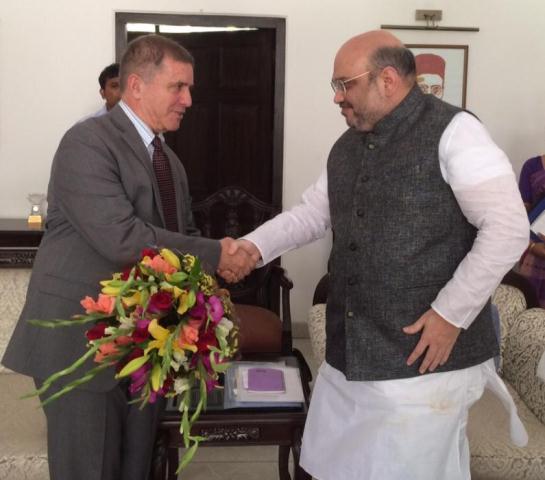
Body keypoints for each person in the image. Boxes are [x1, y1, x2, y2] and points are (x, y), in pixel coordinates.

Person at [227, 30, 530, 480]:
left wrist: (451, 315)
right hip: (351, 353)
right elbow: (312, 215)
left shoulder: (456, 131)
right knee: (326, 465)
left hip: (423, 361)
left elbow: (508, 230)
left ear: (387, 79)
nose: (337, 98)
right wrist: (253, 246)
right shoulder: (346, 147)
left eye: (344, 84)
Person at [1, 34, 254, 480]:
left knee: (136, 468)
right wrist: (218, 254)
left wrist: (218, 270)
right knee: (89, 470)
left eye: (189, 88)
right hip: (81, 345)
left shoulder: (168, 159)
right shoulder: (87, 143)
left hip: (145, 347)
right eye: (178, 87)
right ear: (136, 85)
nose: (189, 100)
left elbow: (182, 238)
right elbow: (121, 237)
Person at [518, 154, 545, 307]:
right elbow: (519, 215)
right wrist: (532, 247)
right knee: (528, 308)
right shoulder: (532, 166)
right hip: (534, 251)